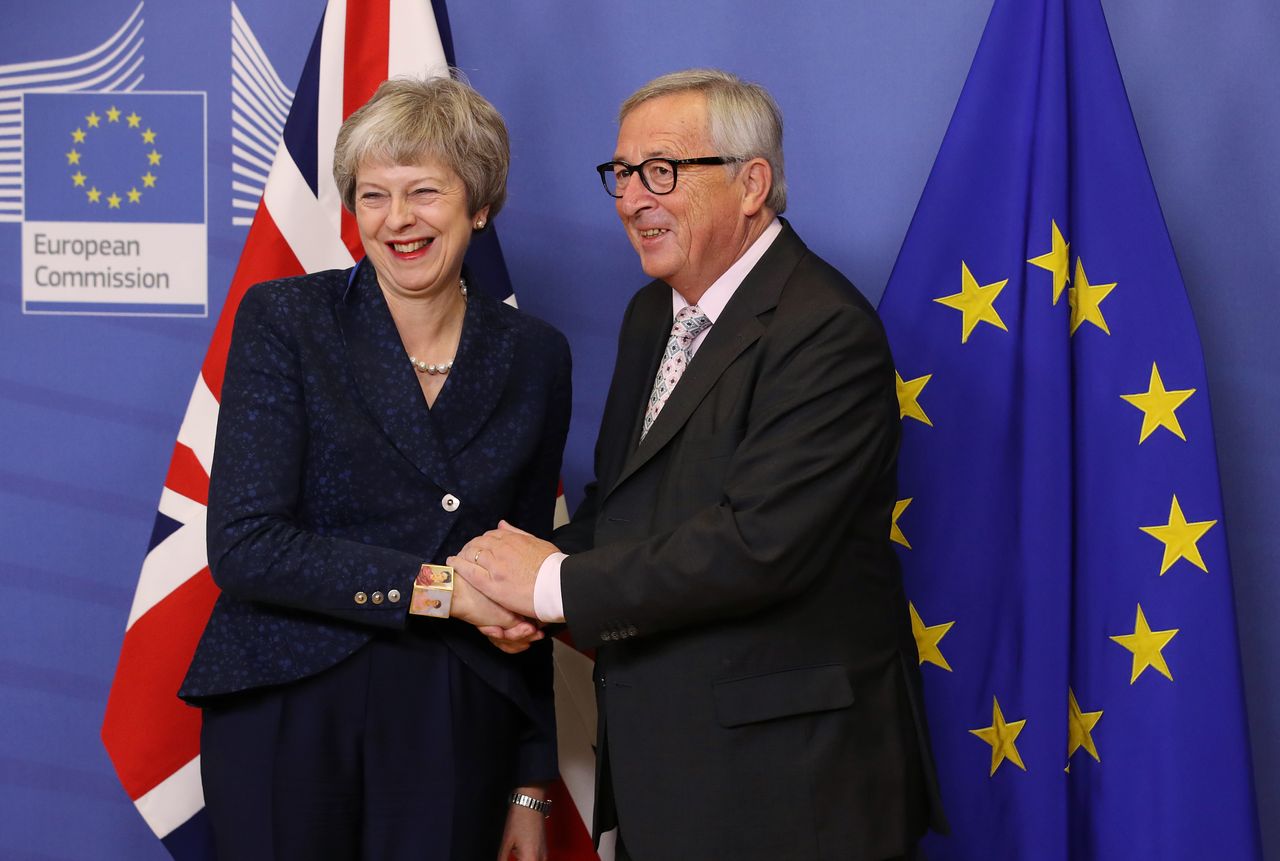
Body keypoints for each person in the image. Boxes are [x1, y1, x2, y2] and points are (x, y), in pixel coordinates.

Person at [452, 69, 947, 860]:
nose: (631, 198)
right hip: (671, 776)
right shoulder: (653, 312)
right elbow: (623, 511)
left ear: (752, 184)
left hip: (793, 792)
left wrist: (549, 585)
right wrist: (507, 589)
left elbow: (758, 547)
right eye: (621, 173)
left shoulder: (827, 331)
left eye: (662, 171)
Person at [179, 76, 570, 861]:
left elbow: (527, 577)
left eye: (424, 191)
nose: (398, 220)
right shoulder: (286, 319)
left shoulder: (535, 355)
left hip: (455, 710)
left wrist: (532, 781)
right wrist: (441, 590)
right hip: (289, 699)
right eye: (372, 195)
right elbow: (247, 545)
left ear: (479, 204)